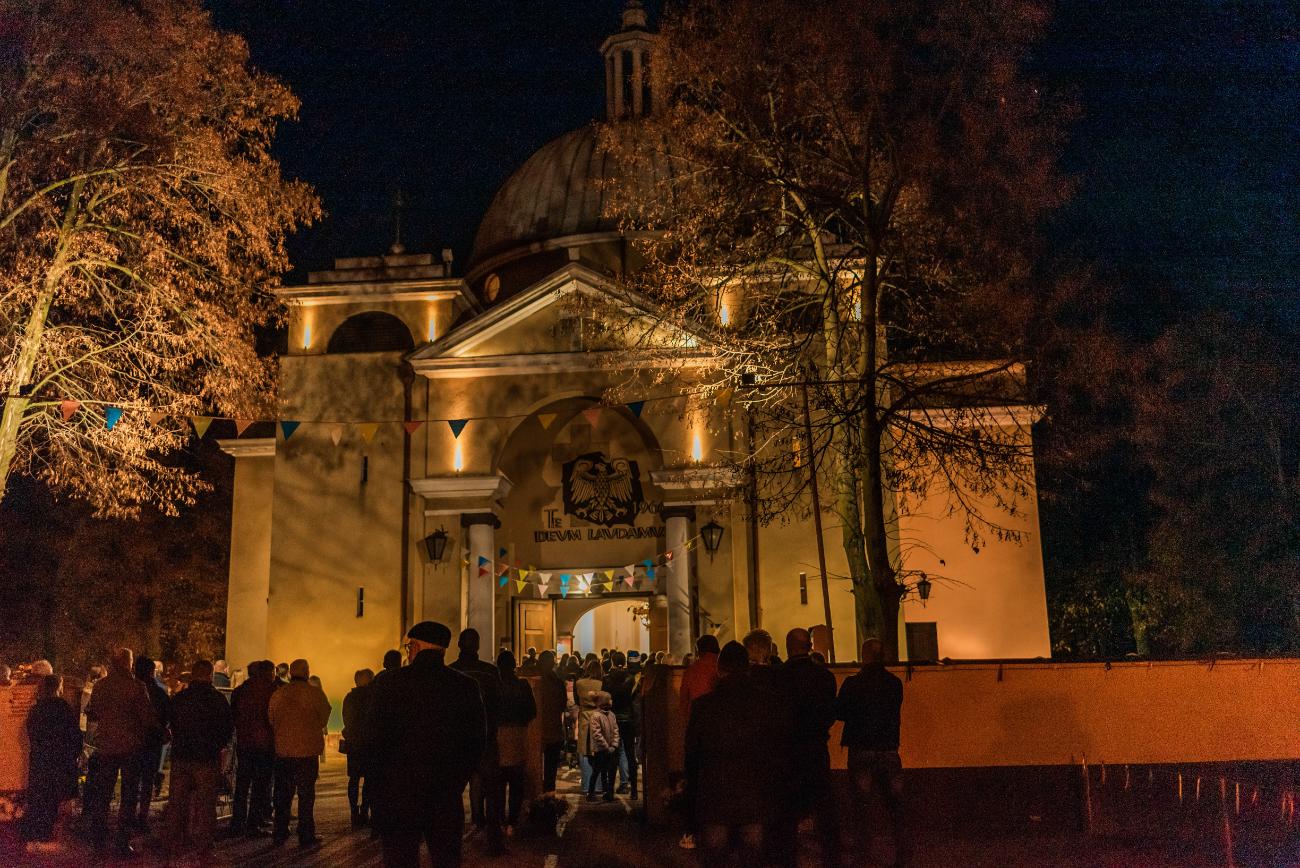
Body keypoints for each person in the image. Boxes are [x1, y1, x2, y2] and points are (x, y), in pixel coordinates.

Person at [363, 621, 485, 868]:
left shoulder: (389, 683)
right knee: (445, 859)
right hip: (444, 794)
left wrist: (380, 786)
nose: (408, 652)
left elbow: (373, 739)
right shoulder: (465, 686)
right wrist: (456, 781)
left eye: (409, 647)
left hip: (399, 793)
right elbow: (476, 740)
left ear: (417, 647)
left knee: (400, 859)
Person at [685, 640, 793, 866]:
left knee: (715, 857)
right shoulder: (767, 703)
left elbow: (693, 753)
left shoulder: (704, 706)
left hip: (715, 792)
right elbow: (779, 748)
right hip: (755, 792)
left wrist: (691, 795)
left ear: (719, 669)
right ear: (747, 667)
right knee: (752, 855)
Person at [836, 638, 907, 867]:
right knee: (895, 806)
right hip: (888, 749)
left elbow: (840, 712)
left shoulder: (853, 683)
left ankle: (863, 854)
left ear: (864, 655)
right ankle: (903, 853)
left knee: (861, 806)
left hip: (862, 749)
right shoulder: (894, 683)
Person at [82, 647, 157, 856]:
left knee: (103, 793)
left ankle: (98, 837)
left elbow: (93, 712)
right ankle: (122, 842)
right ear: (127, 662)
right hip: (131, 747)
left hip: (106, 746)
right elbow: (147, 717)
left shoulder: (101, 686)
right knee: (129, 795)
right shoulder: (137, 687)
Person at [782, 627, 841, 864]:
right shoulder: (824, 677)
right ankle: (831, 856)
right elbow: (831, 712)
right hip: (816, 746)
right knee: (824, 804)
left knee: (788, 807)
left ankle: (788, 857)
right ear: (809, 646)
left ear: (788, 647)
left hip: (789, 749)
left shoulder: (779, 677)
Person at [165, 659, 234, 862]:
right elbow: (227, 728)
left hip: (181, 756)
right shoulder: (218, 699)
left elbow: (171, 723)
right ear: (210, 675)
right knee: (205, 805)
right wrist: (217, 746)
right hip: (206, 758)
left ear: (193, 675)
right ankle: (204, 849)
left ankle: (174, 844)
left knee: (177, 803)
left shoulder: (180, 698)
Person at [267, 658, 332, 848]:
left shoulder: (279, 694)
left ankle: (280, 831)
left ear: (290, 673)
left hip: (284, 751)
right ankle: (305, 833)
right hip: (307, 751)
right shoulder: (315, 694)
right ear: (307, 672)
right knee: (306, 795)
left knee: (282, 795)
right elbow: (324, 717)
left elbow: (271, 718)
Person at [450, 628, 503, 852]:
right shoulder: (490, 672)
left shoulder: (451, 672)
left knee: (452, 793)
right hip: (485, 738)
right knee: (493, 791)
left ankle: (452, 841)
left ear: (459, 645)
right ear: (478, 645)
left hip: (457, 741)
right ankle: (494, 839)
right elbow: (499, 705)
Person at [20, 675, 81, 855]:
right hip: (60, 761)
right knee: (57, 798)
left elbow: (32, 733)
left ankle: (37, 834)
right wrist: (73, 754)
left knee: (41, 798)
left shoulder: (36, 709)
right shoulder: (63, 708)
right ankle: (52, 837)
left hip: (41, 761)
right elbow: (74, 734)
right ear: (57, 687)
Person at [229, 660, 277, 837]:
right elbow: (272, 718)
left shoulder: (240, 691)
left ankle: (237, 821)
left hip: (244, 743)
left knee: (242, 784)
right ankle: (254, 823)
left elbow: (234, 716)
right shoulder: (270, 691)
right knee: (260, 785)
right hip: (264, 744)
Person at [495, 650, 536, 829]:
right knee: (516, 780)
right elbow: (532, 711)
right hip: (518, 734)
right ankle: (512, 818)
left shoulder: (493, 686)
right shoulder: (522, 685)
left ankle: (498, 819)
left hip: (497, 735)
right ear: (514, 666)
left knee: (498, 781)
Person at [132, 655, 171, 832]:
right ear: (151, 671)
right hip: (151, 742)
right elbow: (167, 716)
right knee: (147, 780)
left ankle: (128, 814)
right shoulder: (159, 692)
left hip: (132, 741)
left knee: (131, 780)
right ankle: (142, 816)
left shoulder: (130, 689)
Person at [342, 668, 375, 828]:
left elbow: (346, 719)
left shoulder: (349, 698)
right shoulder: (373, 697)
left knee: (354, 779)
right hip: (369, 744)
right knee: (369, 778)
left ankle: (354, 812)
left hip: (354, 744)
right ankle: (364, 810)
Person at [602, 650, 638, 797]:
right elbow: (634, 699)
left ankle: (610, 790)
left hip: (613, 719)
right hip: (628, 718)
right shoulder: (631, 678)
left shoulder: (607, 679)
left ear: (612, 662)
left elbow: (604, 699)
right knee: (630, 754)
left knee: (613, 755)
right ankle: (634, 790)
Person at [534, 650, 567, 793]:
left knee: (533, 769)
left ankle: (536, 796)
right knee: (550, 771)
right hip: (553, 729)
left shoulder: (533, 681)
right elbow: (562, 705)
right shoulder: (558, 683)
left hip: (535, 729)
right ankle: (549, 797)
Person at [581, 691, 620, 802]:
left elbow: (616, 730)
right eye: (609, 699)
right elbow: (596, 734)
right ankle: (590, 792)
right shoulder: (596, 716)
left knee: (608, 771)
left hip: (610, 749)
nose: (611, 701)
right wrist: (606, 747)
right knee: (597, 771)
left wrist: (614, 745)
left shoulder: (611, 715)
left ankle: (607, 793)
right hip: (600, 750)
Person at [574, 659, 604, 792]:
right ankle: (598, 785)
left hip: (584, 716)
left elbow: (576, 700)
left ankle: (586, 785)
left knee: (584, 751)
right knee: (598, 751)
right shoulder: (601, 684)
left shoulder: (579, 683)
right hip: (599, 716)